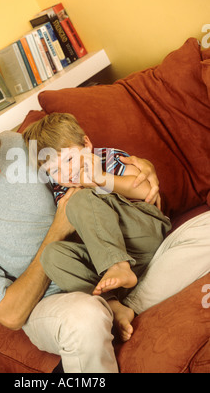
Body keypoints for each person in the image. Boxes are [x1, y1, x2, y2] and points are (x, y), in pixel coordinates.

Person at [0, 111, 161, 373]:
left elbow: (80, 159)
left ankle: (120, 304)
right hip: (53, 300)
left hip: (105, 257)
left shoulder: (12, 144)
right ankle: (114, 307)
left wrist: (137, 169)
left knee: (202, 232)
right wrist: (56, 232)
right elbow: (11, 315)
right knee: (86, 317)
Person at [22, 113, 171, 340]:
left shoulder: (105, 159)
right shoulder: (60, 189)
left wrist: (100, 179)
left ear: (86, 144)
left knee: (80, 199)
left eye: (70, 160)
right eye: (55, 171)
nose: (67, 173)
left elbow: (144, 192)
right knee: (51, 256)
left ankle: (118, 266)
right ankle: (112, 304)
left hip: (143, 232)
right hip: (119, 256)